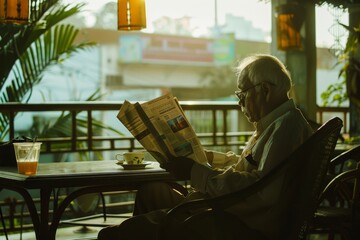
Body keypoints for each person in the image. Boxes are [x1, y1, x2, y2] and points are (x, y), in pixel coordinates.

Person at [97, 54, 314, 240]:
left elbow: (260, 190)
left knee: (120, 234)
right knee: (152, 193)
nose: (240, 103)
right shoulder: (278, 124)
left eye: (242, 93)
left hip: (241, 225)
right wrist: (204, 158)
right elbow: (247, 168)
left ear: (264, 90)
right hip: (227, 211)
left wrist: (195, 171)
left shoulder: (287, 127)